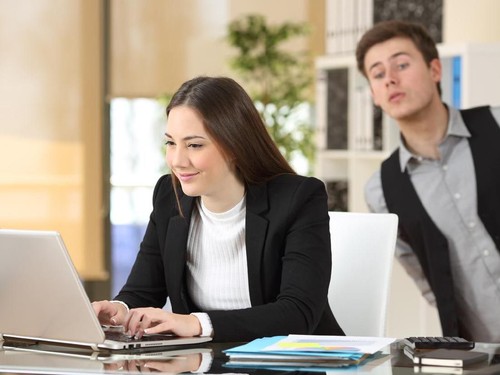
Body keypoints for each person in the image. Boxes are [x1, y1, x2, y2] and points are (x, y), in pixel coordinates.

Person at [93, 76, 344, 343]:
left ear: (235, 145)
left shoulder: (298, 198)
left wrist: (197, 323)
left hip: (291, 365)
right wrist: (121, 309)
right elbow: (143, 290)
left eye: (194, 145)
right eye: (171, 143)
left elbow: (298, 313)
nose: (177, 161)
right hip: (206, 365)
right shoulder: (169, 195)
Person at [356, 20, 500, 341]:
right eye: (378, 74)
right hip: (483, 355)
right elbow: (428, 280)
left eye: (402, 65)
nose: (391, 79)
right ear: (375, 96)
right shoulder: (381, 190)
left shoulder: (497, 124)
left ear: (435, 70)